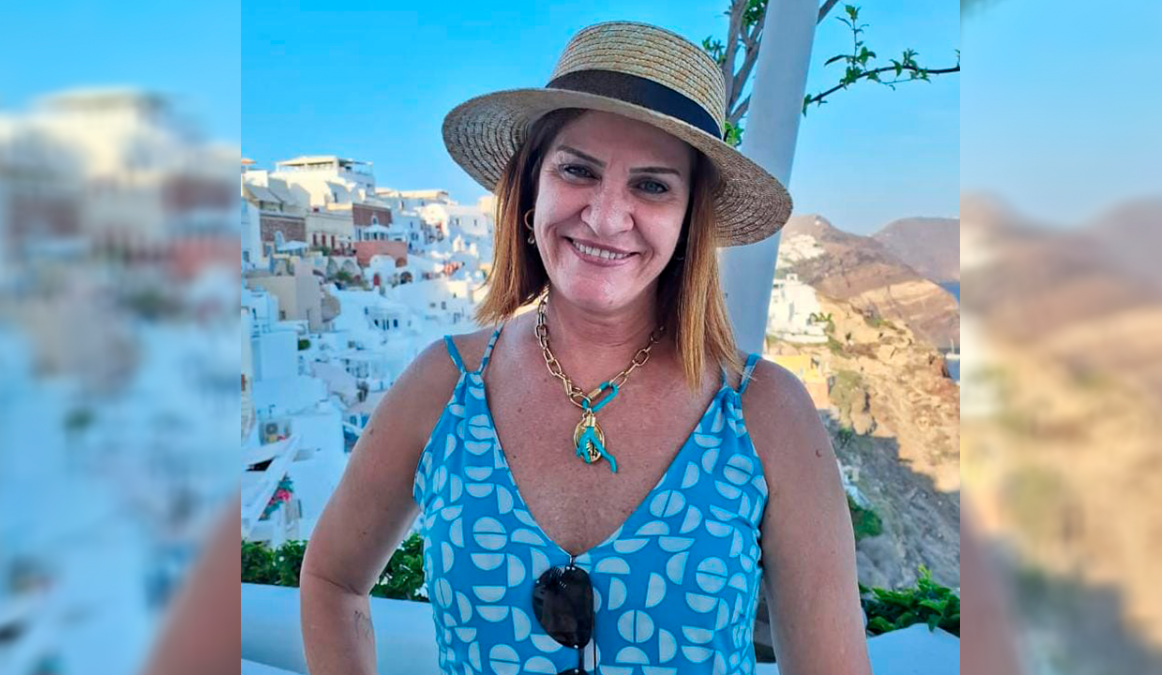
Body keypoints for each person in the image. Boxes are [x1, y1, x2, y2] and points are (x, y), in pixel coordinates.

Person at [301, 21, 871, 675]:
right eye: (578, 170)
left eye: (652, 186)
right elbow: (333, 581)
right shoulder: (444, 385)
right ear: (531, 188)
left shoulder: (766, 414)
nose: (604, 217)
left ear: (689, 221)